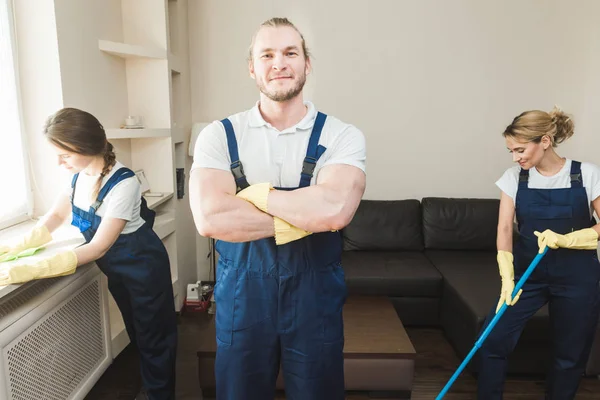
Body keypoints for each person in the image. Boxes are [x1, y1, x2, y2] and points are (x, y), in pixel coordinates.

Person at [189, 17, 366, 400]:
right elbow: (210, 217)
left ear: (307, 63)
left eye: (290, 52)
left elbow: (334, 211)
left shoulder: (343, 136)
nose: (279, 63)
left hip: (314, 294)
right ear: (252, 67)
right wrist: (305, 214)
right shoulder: (219, 135)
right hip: (242, 295)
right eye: (266, 54)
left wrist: (253, 196)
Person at [0, 108, 177, 400]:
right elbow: (56, 215)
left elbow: (99, 247)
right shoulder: (79, 176)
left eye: (65, 155)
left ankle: (160, 394)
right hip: (118, 270)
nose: (59, 162)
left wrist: (34, 269)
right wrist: (18, 246)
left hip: (143, 269)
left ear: (86, 147)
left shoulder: (124, 183)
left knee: (155, 337)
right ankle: (153, 387)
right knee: (138, 331)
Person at [477, 106, 600, 399]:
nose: (516, 157)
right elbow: (505, 229)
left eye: (520, 149)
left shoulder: (586, 174)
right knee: (493, 339)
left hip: (577, 277)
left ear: (545, 141)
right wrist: (507, 276)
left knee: (569, 353)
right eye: (511, 151)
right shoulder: (514, 177)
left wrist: (569, 239)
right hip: (528, 274)